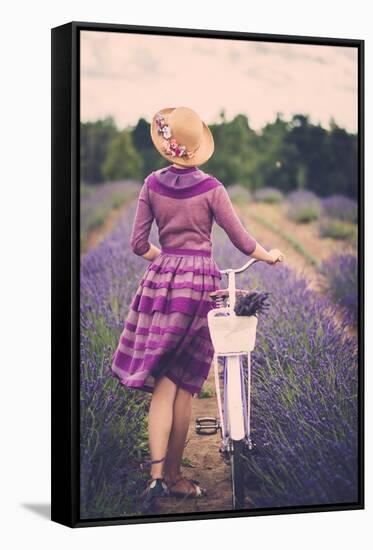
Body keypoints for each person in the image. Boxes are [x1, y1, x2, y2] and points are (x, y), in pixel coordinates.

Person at [111, 106, 284, 508]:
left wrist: (166, 260)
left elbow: (138, 245)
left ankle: (157, 476)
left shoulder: (151, 184)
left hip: (160, 285)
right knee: (184, 384)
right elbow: (242, 241)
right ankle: (172, 476)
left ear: (167, 145)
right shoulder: (212, 188)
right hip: (199, 286)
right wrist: (270, 255)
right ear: (197, 148)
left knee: (163, 384)